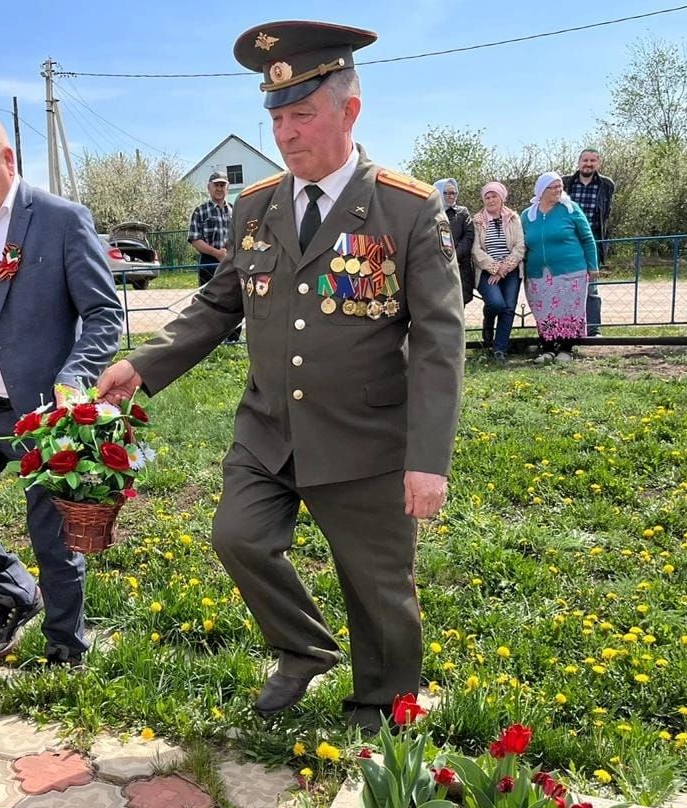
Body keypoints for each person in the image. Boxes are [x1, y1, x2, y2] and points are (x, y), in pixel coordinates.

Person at [97, 21, 466, 731]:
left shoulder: (406, 208)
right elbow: (217, 304)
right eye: (276, 118)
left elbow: (439, 342)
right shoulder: (255, 207)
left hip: (365, 437)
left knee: (377, 585)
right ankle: (302, 648)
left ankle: (381, 701)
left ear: (349, 110)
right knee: (237, 536)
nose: (287, 134)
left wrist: (427, 460)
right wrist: (141, 366)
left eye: (302, 115)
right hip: (270, 429)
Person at [0, 107, 123, 667]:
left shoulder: (60, 219)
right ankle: (15, 590)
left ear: (7, 159)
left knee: (52, 535)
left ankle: (67, 643)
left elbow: (104, 314)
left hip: (42, 414)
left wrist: (73, 379)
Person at [522, 172, 598, 363]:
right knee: (543, 310)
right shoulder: (528, 215)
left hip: (570, 270)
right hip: (538, 273)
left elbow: (587, 239)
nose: (557, 190)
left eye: (559, 186)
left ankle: (566, 348)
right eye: (553, 187)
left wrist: (593, 265)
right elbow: (520, 243)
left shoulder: (570, 209)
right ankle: (547, 349)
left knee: (569, 309)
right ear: (541, 190)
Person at [562, 150, 615, 337]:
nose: (588, 164)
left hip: (593, 239)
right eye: (585, 160)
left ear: (598, 163)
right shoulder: (566, 182)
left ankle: (593, 329)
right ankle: (568, 328)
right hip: (567, 241)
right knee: (566, 285)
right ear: (578, 162)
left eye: (593, 160)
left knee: (591, 285)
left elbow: (605, 214)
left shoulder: (607, 185)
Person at [471, 182, 525, 360]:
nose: (490, 199)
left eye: (494, 196)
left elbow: (520, 246)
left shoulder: (513, 218)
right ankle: (488, 322)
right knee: (496, 304)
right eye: (487, 197)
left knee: (508, 308)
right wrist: (494, 267)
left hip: (511, 271)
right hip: (487, 271)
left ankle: (499, 349)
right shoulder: (477, 221)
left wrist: (504, 268)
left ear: (502, 198)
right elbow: (476, 250)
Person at [188, 170, 238, 342]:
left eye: (222, 185)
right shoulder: (200, 211)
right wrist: (217, 254)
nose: (219, 188)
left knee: (234, 299)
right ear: (209, 188)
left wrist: (229, 255)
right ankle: (209, 339)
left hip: (232, 261)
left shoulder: (235, 211)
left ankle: (233, 338)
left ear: (228, 188)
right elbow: (195, 239)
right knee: (208, 300)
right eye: (215, 185)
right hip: (209, 262)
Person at [434, 178, 474, 308]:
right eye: (447, 193)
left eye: (454, 193)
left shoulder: (462, 212)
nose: (451, 196)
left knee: (459, 306)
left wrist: (453, 256)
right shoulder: (432, 213)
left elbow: (469, 236)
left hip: (460, 266)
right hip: (437, 266)